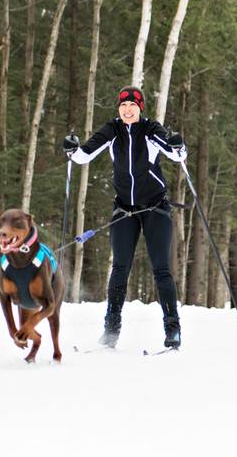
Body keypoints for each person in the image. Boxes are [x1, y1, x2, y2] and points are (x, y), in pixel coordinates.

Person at [62, 85, 186, 349]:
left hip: (155, 208)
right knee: (119, 268)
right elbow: (84, 155)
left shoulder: (151, 129)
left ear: (140, 108)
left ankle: (172, 329)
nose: (128, 110)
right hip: (125, 210)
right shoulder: (112, 130)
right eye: (123, 105)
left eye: (132, 105)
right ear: (119, 108)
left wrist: (179, 145)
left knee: (161, 269)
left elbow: (176, 154)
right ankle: (111, 330)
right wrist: (72, 151)